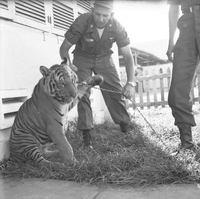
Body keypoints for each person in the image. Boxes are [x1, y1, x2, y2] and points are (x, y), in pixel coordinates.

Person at [60, 0, 135, 148]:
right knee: (82, 93)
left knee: (115, 90)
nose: (101, 19)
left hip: (104, 57)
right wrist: (69, 65)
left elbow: (128, 56)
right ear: (92, 10)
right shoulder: (82, 22)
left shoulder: (117, 26)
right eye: (97, 14)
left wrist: (131, 82)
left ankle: (125, 127)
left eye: (105, 15)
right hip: (82, 58)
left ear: (111, 15)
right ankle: (86, 134)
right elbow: (64, 49)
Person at [166, 0, 200, 153]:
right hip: (188, 25)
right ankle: (187, 144)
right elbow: (174, 7)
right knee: (177, 90)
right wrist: (171, 40)